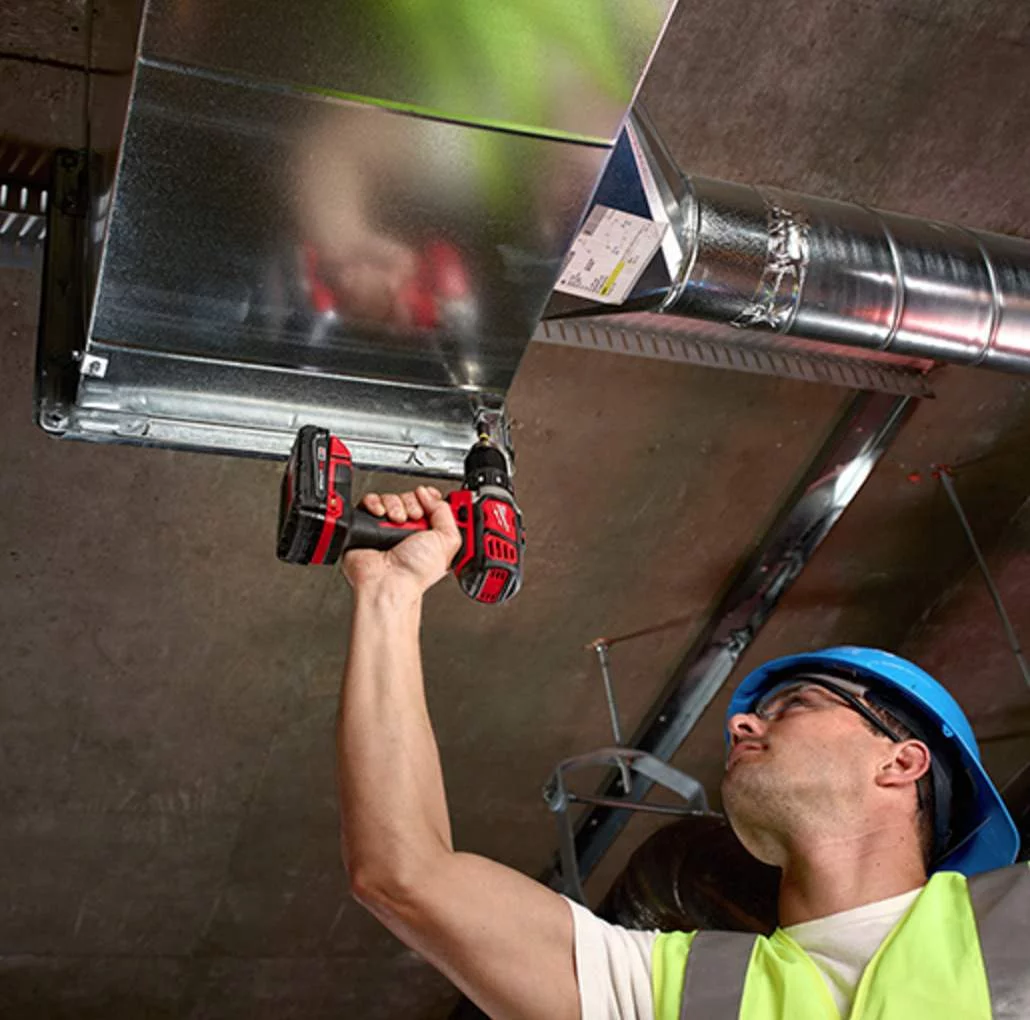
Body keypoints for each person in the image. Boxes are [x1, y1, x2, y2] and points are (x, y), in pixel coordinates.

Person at [336, 485, 1027, 1020]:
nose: (741, 724)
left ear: (900, 762)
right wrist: (390, 593)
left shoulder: (1011, 921)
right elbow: (406, 873)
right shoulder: (678, 990)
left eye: (795, 704)